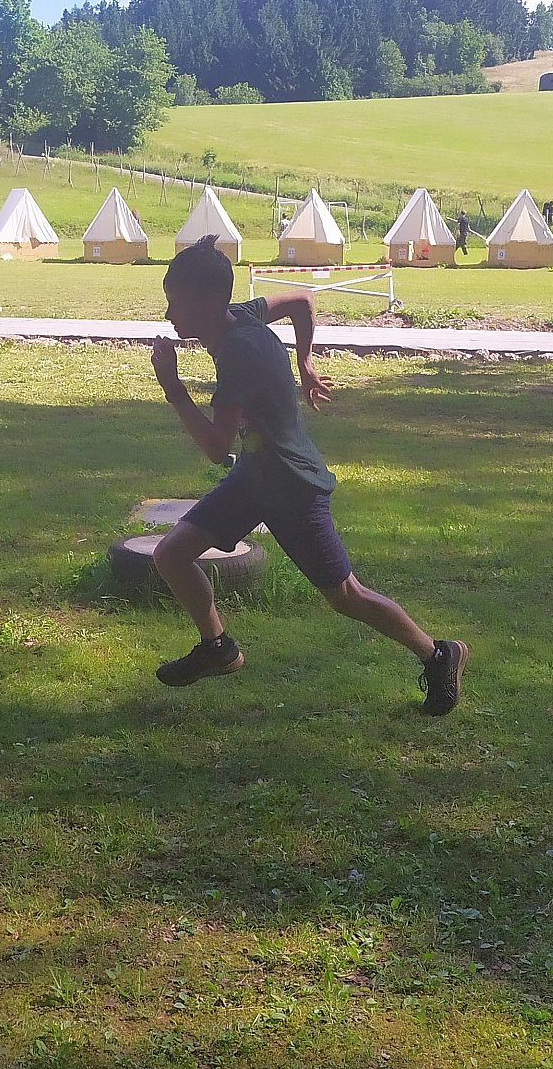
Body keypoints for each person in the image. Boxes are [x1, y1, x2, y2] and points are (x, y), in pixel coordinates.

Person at [146, 237, 468, 714]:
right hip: (255, 477)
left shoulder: (239, 353)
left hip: (291, 484)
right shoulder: (244, 315)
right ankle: (217, 648)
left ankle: (439, 654)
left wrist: (173, 388)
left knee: (346, 596)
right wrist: (305, 361)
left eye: (177, 303)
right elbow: (301, 301)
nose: (170, 314)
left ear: (210, 301)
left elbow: (215, 448)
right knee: (172, 554)